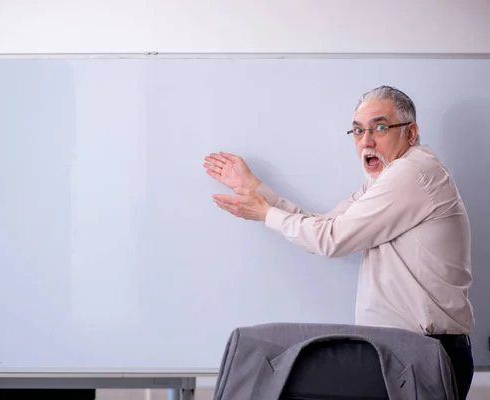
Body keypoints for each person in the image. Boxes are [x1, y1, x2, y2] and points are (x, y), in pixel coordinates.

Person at [203, 85, 475, 399]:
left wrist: (265, 213)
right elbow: (327, 225)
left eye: (380, 127)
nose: (366, 141)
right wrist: (255, 188)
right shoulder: (384, 180)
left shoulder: (413, 174)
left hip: (424, 354)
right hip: (404, 353)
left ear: (411, 133)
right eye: (358, 131)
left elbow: (331, 240)